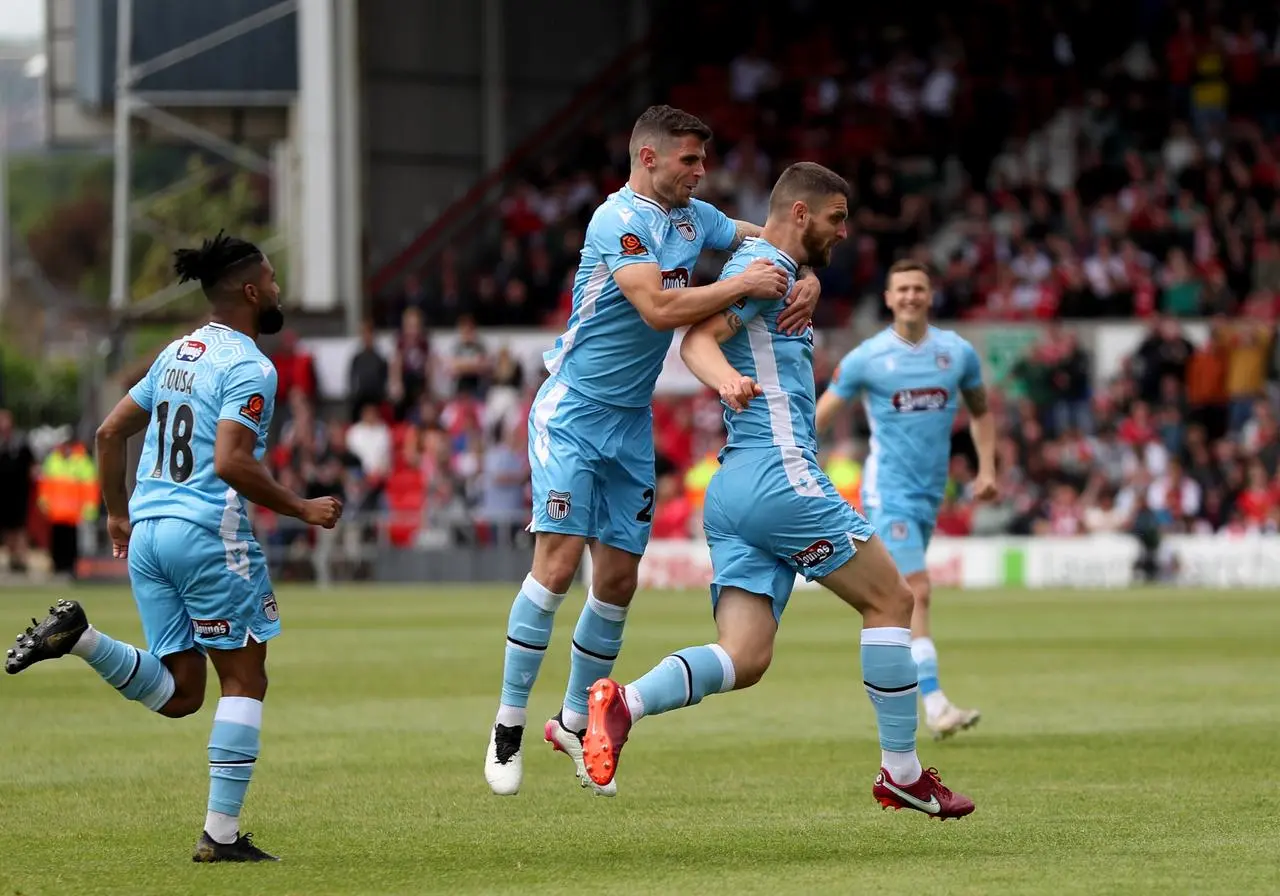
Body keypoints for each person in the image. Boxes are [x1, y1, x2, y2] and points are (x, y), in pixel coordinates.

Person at [582, 163, 974, 818]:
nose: (845, 233)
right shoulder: (764, 271)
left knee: (746, 655)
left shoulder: (778, 270)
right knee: (892, 599)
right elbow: (699, 339)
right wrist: (724, 381)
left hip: (734, 489)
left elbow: (731, 316)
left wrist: (805, 282)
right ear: (800, 213)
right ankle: (901, 772)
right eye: (836, 219)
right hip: (779, 472)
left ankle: (626, 703)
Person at [485, 105, 823, 797]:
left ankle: (576, 723)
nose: (701, 173)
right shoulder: (618, 221)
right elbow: (659, 312)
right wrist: (743, 284)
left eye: (703, 162)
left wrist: (806, 273)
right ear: (648, 158)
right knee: (554, 565)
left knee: (615, 583)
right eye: (689, 162)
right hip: (573, 411)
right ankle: (508, 723)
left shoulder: (696, 218)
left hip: (630, 424)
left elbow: (778, 238)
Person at [4, 233, 343, 862]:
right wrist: (302, 507)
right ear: (249, 291)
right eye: (270, 279)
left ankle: (79, 637)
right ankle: (218, 837)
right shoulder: (251, 365)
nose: (276, 289)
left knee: (184, 692)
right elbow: (233, 462)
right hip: (206, 533)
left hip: (149, 535)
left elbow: (109, 432)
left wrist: (115, 512)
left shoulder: (176, 354)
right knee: (245, 679)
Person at [814, 259, 997, 740]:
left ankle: (894, 684)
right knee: (917, 589)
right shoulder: (866, 358)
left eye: (919, 288)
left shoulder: (956, 354)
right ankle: (935, 704)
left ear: (929, 295)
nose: (911, 296)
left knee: (900, 597)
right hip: (887, 489)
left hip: (929, 493)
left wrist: (988, 467)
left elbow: (981, 412)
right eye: (903, 289)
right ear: (890, 299)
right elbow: (822, 415)